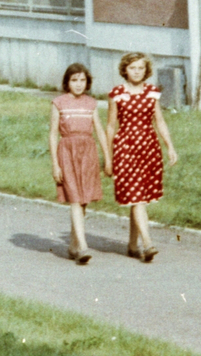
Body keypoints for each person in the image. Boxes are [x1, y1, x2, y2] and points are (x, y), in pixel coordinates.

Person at [106, 51, 177, 261]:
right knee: (136, 198)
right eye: (132, 68)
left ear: (146, 71)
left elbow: (160, 121)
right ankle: (147, 243)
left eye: (140, 68)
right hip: (126, 149)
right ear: (125, 70)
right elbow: (110, 126)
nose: (136, 72)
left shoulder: (152, 93)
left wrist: (170, 146)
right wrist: (108, 157)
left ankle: (132, 244)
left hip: (148, 148)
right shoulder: (116, 94)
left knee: (140, 198)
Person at [49, 62, 110, 264]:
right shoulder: (58, 103)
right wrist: (55, 164)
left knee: (83, 200)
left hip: (88, 152)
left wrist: (107, 157)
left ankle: (74, 245)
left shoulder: (91, 103)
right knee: (74, 198)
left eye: (82, 80)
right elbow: (53, 134)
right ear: (67, 82)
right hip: (67, 151)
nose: (78, 84)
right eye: (74, 80)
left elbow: (100, 131)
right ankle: (83, 247)